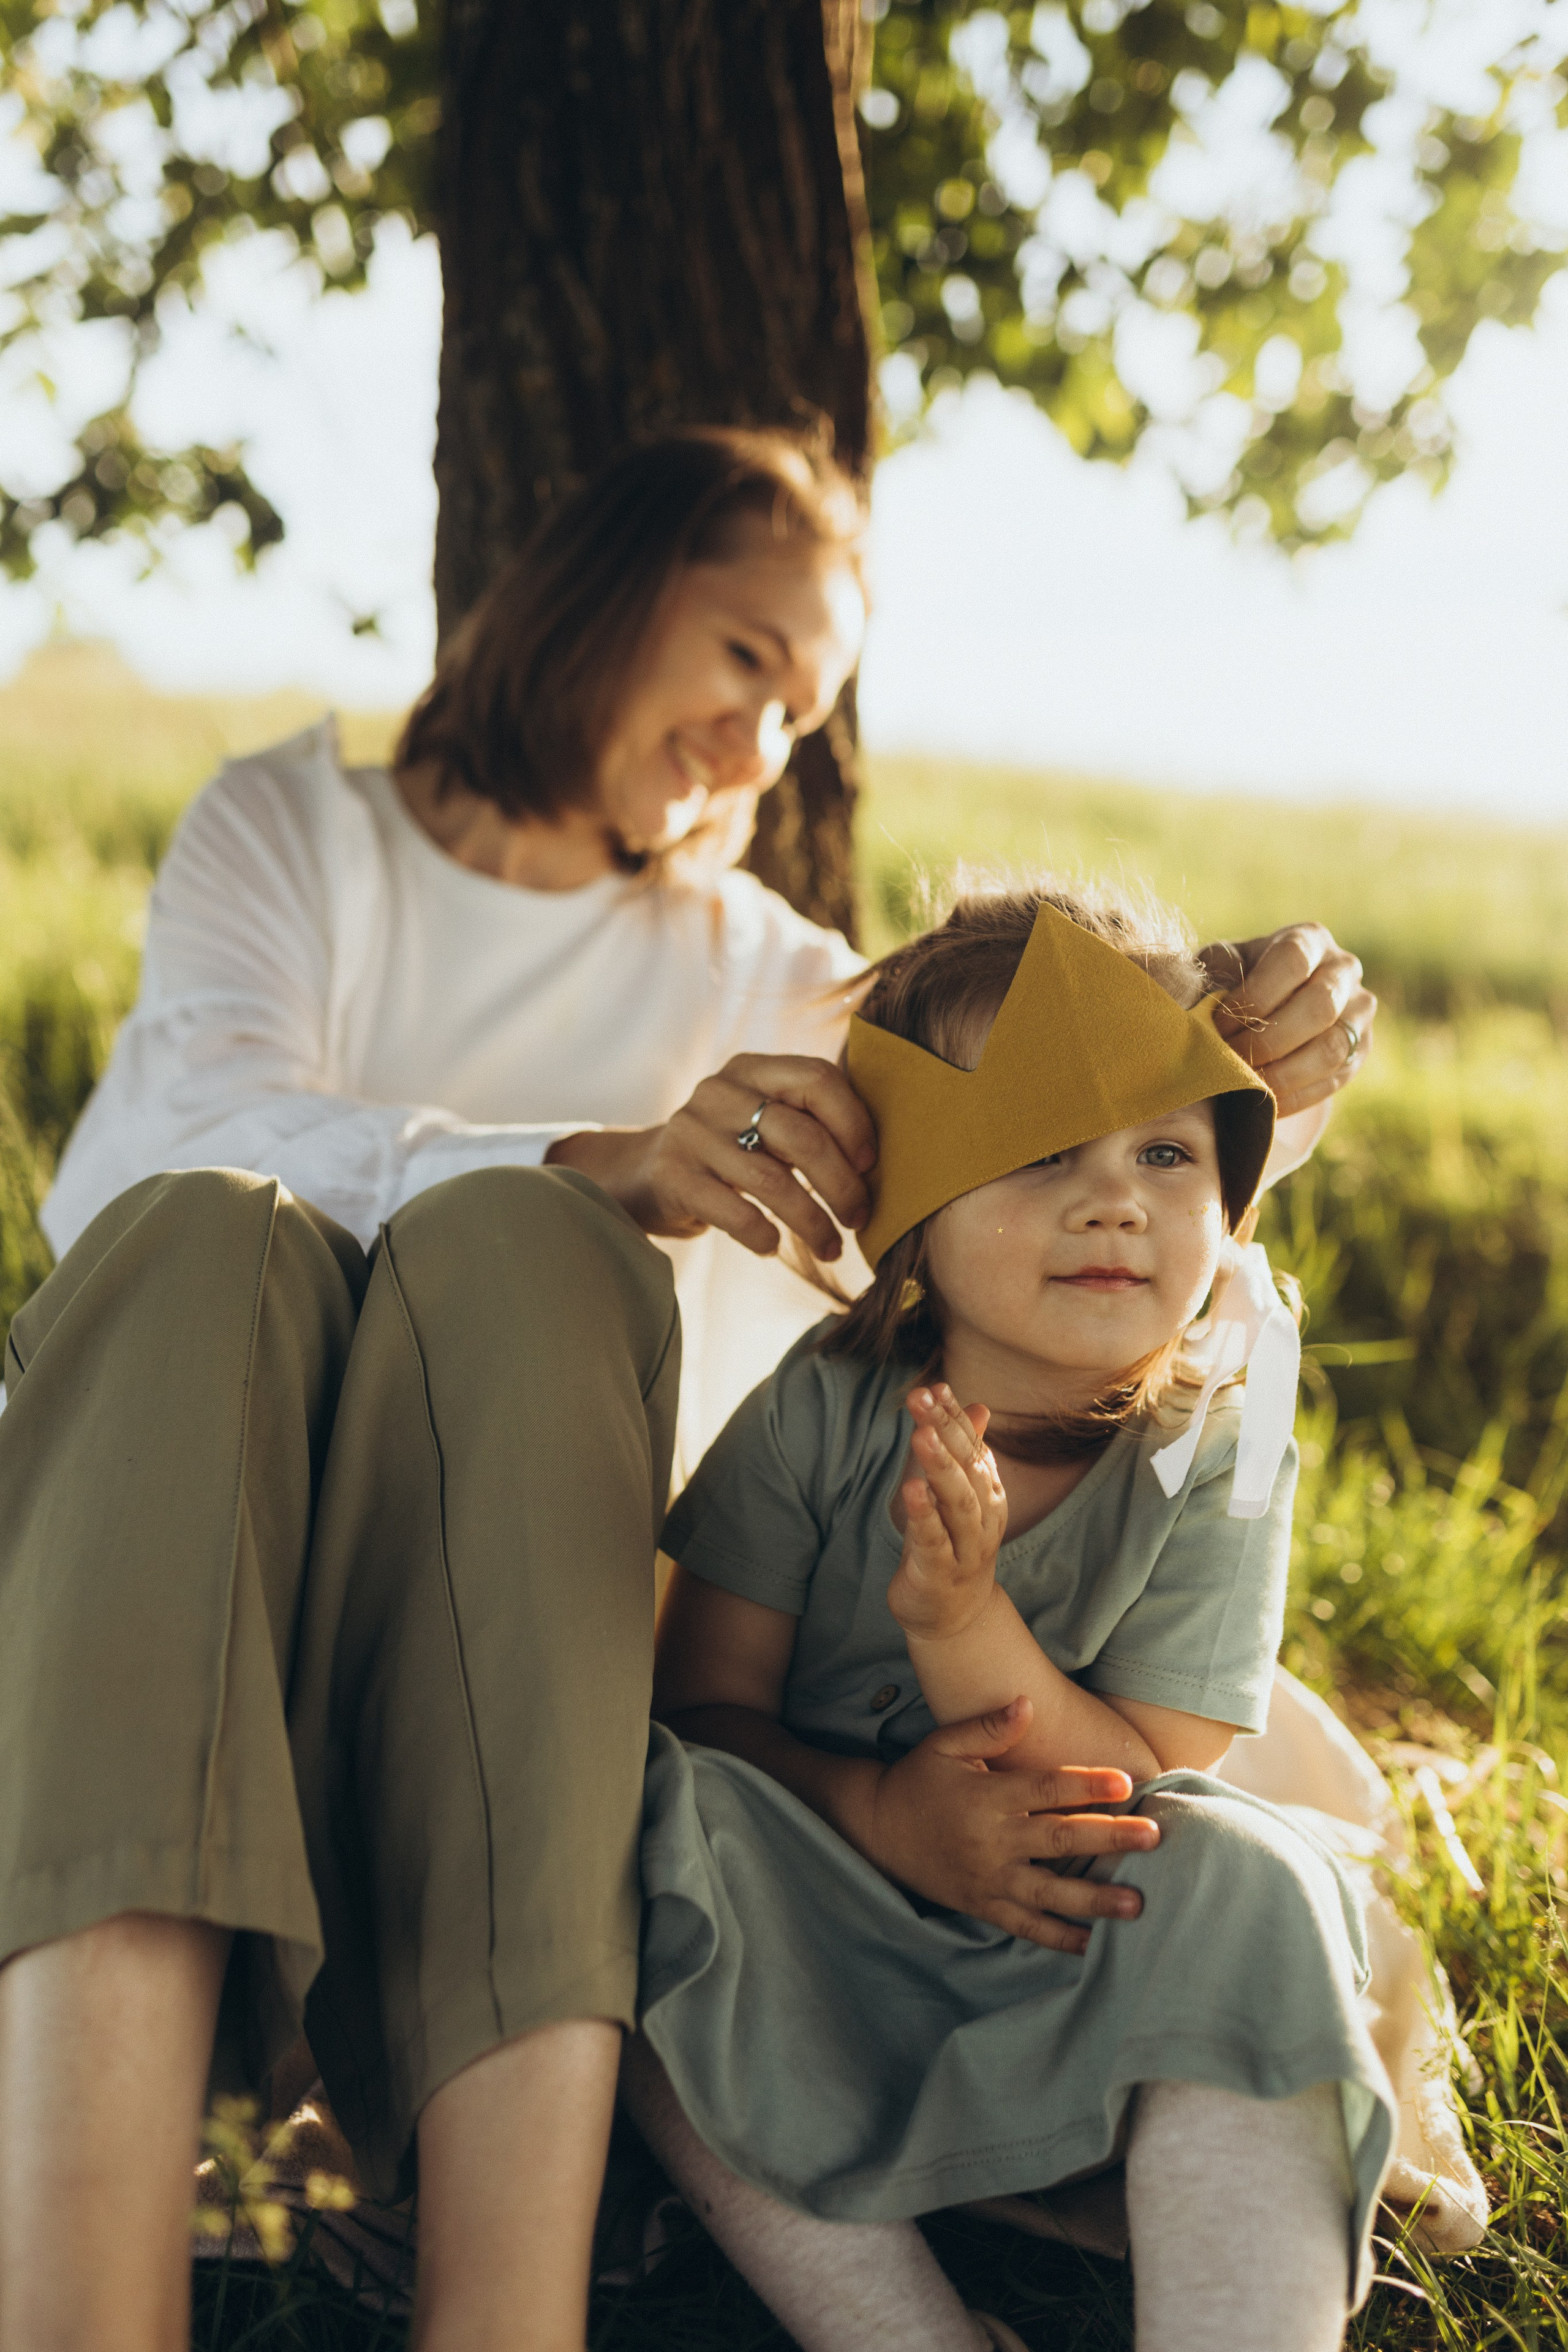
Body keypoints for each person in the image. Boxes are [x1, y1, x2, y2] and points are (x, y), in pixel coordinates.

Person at [0, 425, 1375, 2352]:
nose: (765, 741)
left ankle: (506, 2302)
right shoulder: (294, 829)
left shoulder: (763, 976)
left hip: (504, 1648)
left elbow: (1002, 1189)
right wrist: (599, 1154)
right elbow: (158, 1140)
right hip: (190, 1567)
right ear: (605, 587)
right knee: (225, 1235)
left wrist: (1245, 1100)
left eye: (804, 709)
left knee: (524, 1268)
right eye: (746, 658)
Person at [627, 883, 1396, 2352]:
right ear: (913, 1210)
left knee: (1253, 1879)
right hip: (817, 1933)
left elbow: (1151, 1762)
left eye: (1167, 1152)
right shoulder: (820, 1414)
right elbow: (703, 1712)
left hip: (1071, 1923)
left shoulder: (1213, 1439)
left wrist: (961, 1619)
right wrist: (881, 1814)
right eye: (1043, 1151)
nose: (1116, 1201)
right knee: (657, 1839)